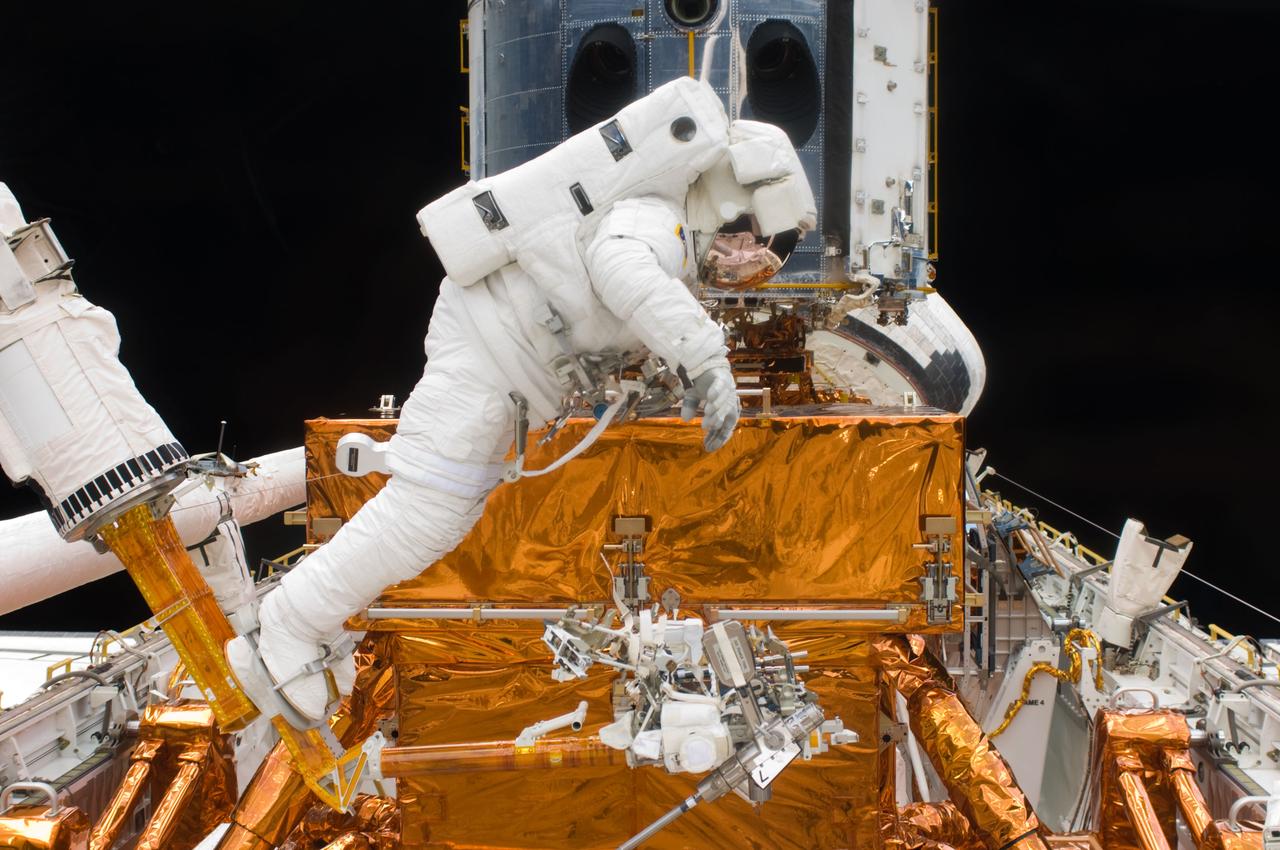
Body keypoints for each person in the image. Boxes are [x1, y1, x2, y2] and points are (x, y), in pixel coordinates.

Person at [238, 77, 816, 724]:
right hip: (488, 355)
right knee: (423, 509)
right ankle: (285, 625)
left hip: (499, 362)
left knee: (438, 516)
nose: (741, 259)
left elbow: (610, 306)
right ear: (729, 196)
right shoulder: (654, 221)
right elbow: (622, 271)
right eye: (744, 238)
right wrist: (705, 359)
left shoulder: (662, 223)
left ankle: (315, 625)